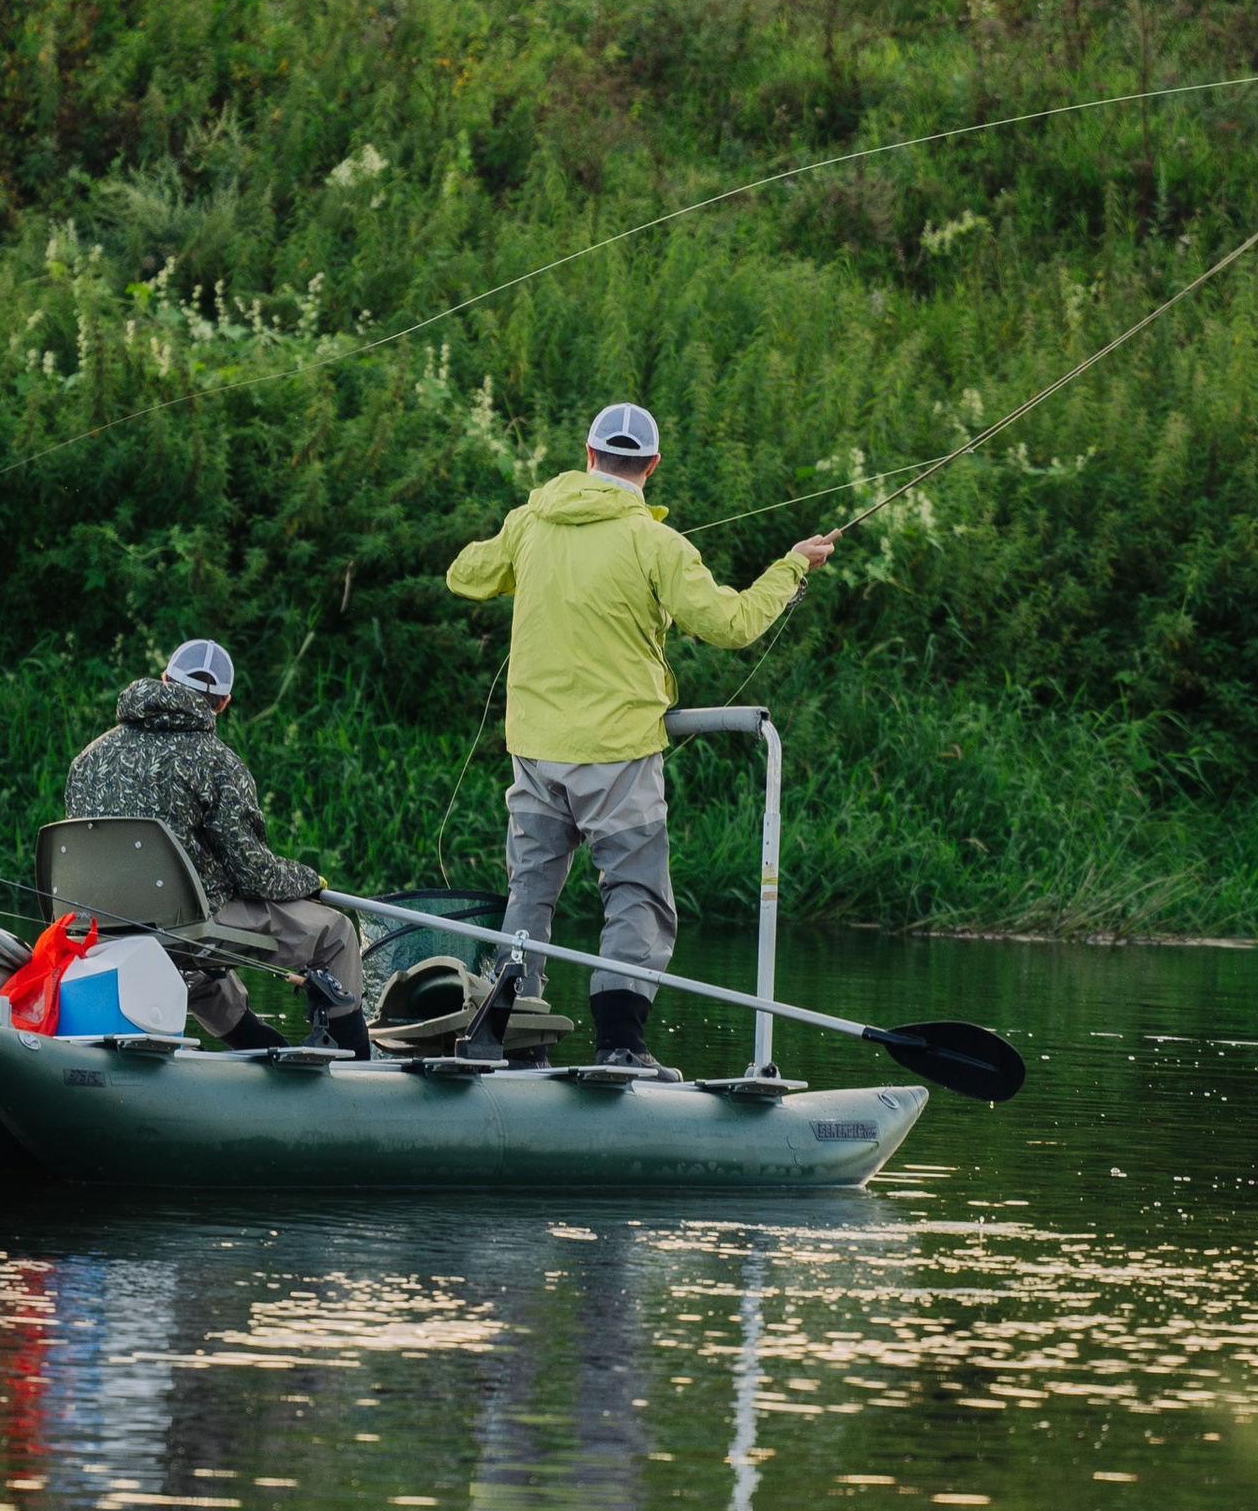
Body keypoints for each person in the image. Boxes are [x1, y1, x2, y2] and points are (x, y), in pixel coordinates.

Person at [445, 405, 836, 1072]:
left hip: (535, 752)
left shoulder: (531, 521)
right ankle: (621, 1043)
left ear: (587, 451)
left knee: (531, 893)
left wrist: (521, 547)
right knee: (634, 891)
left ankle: (511, 1030)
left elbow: (464, 575)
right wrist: (791, 568)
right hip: (618, 755)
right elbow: (731, 623)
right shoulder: (657, 544)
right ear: (651, 466)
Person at [64, 637, 374, 1056]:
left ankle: (262, 1048)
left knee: (197, 970)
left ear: (165, 680)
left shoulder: (88, 757)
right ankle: (355, 1066)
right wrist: (307, 879)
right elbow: (254, 872)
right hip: (183, 923)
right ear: (224, 703)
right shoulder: (217, 761)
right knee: (335, 934)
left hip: (99, 921)